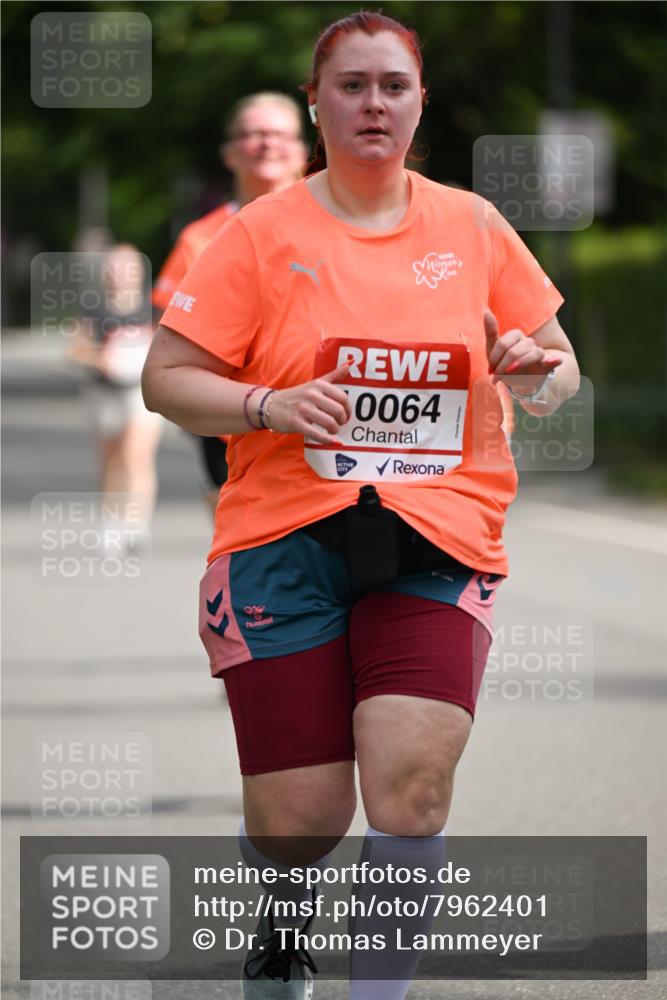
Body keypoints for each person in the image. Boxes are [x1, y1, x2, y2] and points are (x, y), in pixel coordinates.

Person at [142, 10, 580, 999]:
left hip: (440, 533)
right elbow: (164, 378)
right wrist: (271, 403)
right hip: (281, 536)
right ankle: (284, 912)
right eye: (351, 84)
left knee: (410, 786)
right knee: (299, 818)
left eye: (392, 84)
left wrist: (532, 364)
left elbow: (561, 379)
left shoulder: (470, 224)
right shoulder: (258, 232)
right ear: (316, 100)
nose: (372, 102)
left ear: (419, 102)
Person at [152, 93, 307, 514]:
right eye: (254, 134)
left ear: (303, 150)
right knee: (242, 554)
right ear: (230, 153)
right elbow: (168, 338)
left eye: (279, 133)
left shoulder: (336, 226)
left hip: (324, 419)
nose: (267, 144)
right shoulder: (199, 239)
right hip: (231, 427)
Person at [69, 240, 161, 546]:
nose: (121, 273)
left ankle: (137, 522)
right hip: (104, 392)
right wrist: (101, 359)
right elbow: (76, 350)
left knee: (136, 454)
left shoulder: (152, 308)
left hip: (140, 393)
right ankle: (112, 521)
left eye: (127, 267)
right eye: (115, 267)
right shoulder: (95, 309)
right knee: (111, 458)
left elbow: (169, 347)